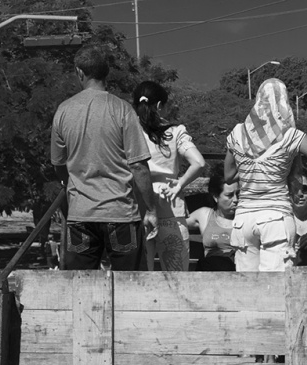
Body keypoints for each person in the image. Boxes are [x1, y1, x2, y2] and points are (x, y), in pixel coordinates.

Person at [50, 44, 158, 271]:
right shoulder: (122, 110)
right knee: (130, 286)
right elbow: (138, 166)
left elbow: (59, 164)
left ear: (79, 72)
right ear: (106, 73)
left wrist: (69, 185)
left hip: (80, 216)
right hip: (121, 215)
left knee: (80, 286)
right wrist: (151, 209)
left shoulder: (63, 111)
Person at [224, 78, 307, 272]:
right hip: (276, 218)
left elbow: (229, 175)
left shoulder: (237, 133)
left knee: (248, 285)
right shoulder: (290, 136)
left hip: (243, 220)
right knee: (276, 284)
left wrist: (255, 169)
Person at [132, 81, 206, 271]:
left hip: (139, 210)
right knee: (177, 277)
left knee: (141, 279)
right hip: (172, 209)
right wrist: (180, 183)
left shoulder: (129, 133)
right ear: (159, 106)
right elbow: (199, 163)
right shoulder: (176, 132)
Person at [186, 170, 238, 271]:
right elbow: (177, 224)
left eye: (238, 194)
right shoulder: (204, 215)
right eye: (229, 195)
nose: (235, 199)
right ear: (215, 197)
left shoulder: (244, 218)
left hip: (237, 273)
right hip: (210, 272)